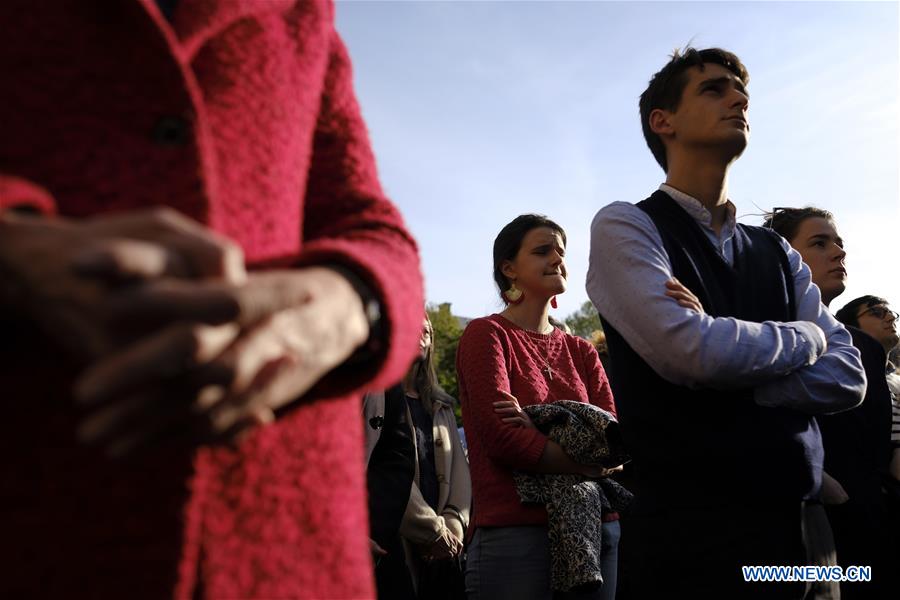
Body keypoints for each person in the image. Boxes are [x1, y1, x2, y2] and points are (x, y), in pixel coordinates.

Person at [0, 1, 424, 598]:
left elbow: (375, 230)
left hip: (283, 545)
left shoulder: (303, 11)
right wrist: (16, 253)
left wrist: (348, 304)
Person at [586, 48, 865, 599]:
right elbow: (692, 352)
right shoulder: (627, 225)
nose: (738, 99)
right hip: (693, 539)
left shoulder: (778, 251)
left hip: (805, 531)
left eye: (741, 91)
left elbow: (849, 377)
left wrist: (735, 371)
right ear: (663, 121)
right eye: (713, 89)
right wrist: (808, 336)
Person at [457, 214, 622, 600]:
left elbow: (614, 443)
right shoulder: (488, 335)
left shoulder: (581, 351)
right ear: (509, 268)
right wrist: (586, 463)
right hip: (517, 533)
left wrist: (537, 432)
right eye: (542, 251)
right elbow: (503, 439)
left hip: (596, 525)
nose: (557, 259)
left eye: (561, 252)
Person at [767, 210, 897, 598]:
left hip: (866, 515)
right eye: (820, 243)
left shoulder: (864, 347)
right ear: (782, 254)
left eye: (838, 243)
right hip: (792, 516)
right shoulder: (762, 334)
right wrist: (819, 478)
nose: (839, 253)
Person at [365, 315, 471, 598]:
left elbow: (460, 474)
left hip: (446, 549)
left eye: (427, 331)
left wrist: (454, 524)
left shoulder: (442, 407)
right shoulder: (379, 399)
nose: (422, 334)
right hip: (396, 539)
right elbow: (389, 469)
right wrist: (431, 529)